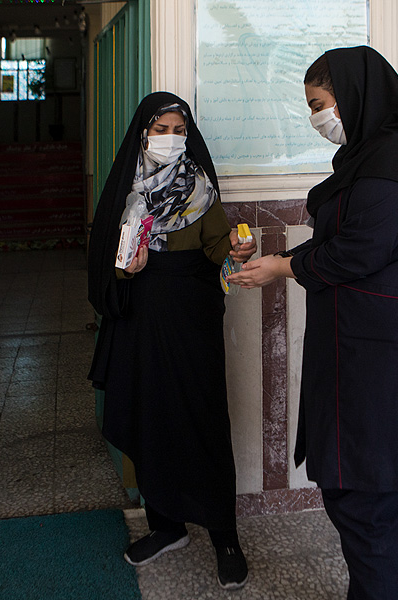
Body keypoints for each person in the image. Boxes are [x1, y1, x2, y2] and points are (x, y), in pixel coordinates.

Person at [228, 46, 398, 600]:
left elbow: (358, 251)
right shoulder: (378, 156)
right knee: (387, 486)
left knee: (363, 493)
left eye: (319, 104)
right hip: (373, 350)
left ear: (353, 96)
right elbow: (351, 240)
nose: (318, 119)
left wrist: (285, 265)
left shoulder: (394, 169)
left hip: (381, 362)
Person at [86, 92, 257, 590]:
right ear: (143, 135)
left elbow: (217, 248)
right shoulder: (127, 191)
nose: (170, 138)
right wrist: (126, 269)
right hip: (141, 319)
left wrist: (238, 247)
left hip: (191, 320)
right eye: (160, 129)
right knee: (150, 414)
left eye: (178, 129)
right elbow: (108, 261)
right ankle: (165, 526)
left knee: (201, 416)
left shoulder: (199, 187)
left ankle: (225, 536)